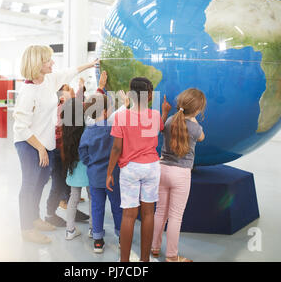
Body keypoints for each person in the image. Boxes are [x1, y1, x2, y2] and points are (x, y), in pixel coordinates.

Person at [13, 45, 97, 244]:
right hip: (28, 144)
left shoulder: (48, 80)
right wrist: (40, 148)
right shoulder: (28, 92)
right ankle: (26, 228)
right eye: (48, 60)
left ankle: (34, 218)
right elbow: (21, 127)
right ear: (37, 64)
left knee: (41, 183)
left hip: (45, 143)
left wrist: (91, 64)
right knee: (29, 185)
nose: (53, 63)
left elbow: (70, 72)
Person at [106, 77, 166, 262]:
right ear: (149, 96)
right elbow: (159, 128)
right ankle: (144, 261)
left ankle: (124, 262)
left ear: (131, 95)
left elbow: (116, 148)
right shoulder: (155, 115)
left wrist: (109, 172)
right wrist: (164, 112)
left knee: (129, 215)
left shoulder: (121, 116)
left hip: (130, 169)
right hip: (151, 168)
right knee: (148, 213)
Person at [151, 88, 206, 262]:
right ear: (197, 110)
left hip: (162, 170)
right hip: (181, 175)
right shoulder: (196, 128)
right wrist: (194, 118)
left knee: (160, 212)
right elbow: (202, 138)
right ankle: (172, 256)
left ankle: (154, 247)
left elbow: (160, 129)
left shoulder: (168, 121)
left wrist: (168, 112)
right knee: (175, 216)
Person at [78, 87, 128, 253]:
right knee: (117, 207)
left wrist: (91, 164)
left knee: (97, 208)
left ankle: (98, 241)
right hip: (113, 176)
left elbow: (83, 154)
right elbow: (120, 150)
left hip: (94, 177)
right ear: (106, 112)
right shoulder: (113, 128)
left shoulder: (87, 132)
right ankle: (122, 238)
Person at [45, 79, 89, 227]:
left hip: (65, 151)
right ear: (61, 96)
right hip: (58, 152)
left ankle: (71, 210)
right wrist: (100, 88)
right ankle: (50, 214)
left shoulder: (65, 106)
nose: (71, 90)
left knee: (67, 184)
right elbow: (82, 105)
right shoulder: (60, 108)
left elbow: (78, 103)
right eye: (67, 89)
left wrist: (81, 88)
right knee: (58, 183)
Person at [60, 97, 92, 240]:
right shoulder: (87, 126)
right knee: (93, 198)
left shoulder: (66, 128)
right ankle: (93, 229)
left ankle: (70, 230)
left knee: (73, 199)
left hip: (73, 166)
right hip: (89, 166)